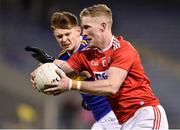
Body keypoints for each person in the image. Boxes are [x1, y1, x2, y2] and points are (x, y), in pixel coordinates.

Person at [31, 4, 169, 130]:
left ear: (102, 27)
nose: (83, 34)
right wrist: (41, 73)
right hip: (124, 121)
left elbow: (111, 86)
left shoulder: (122, 49)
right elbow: (62, 69)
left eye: (87, 27)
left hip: (144, 114)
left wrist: (72, 85)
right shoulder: (85, 55)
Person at [28, 11, 121, 130]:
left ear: (78, 31)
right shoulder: (63, 57)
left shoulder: (90, 45)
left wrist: (51, 61)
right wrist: (39, 75)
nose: (64, 39)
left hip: (116, 111)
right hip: (102, 116)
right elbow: (62, 79)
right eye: (59, 36)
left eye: (67, 34)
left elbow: (87, 70)